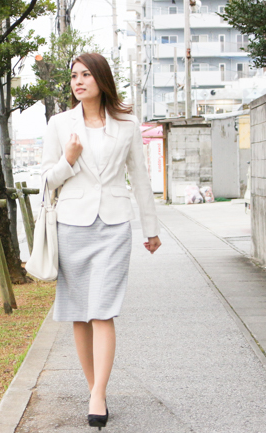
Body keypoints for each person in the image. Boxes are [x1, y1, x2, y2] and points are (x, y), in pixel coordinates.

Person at [40, 52, 161, 430]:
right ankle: (96, 389)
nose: (78, 82)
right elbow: (47, 179)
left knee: (102, 310)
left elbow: (139, 178)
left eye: (86, 75)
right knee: (79, 312)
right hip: (72, 225)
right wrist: (69, 159)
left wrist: (150, 228)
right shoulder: (59, 124)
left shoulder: (126, 124)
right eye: (74, 76)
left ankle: (97, 393)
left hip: (113, 224)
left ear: (101, 79)